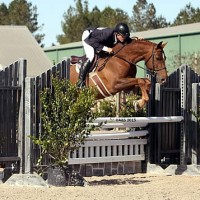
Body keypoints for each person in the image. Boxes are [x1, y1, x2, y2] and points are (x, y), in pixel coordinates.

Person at [77, 22, 131, 88]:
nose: (124, 38)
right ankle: (80, 82)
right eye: (123, 36)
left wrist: (136, 39)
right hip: (88, 37)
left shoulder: (119, 36)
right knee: (91, 56)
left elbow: (128, 40)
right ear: (117, 34)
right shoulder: (108, 34)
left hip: (96, 39)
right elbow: (91, 41)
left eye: (125, 37)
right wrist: (106, 49)